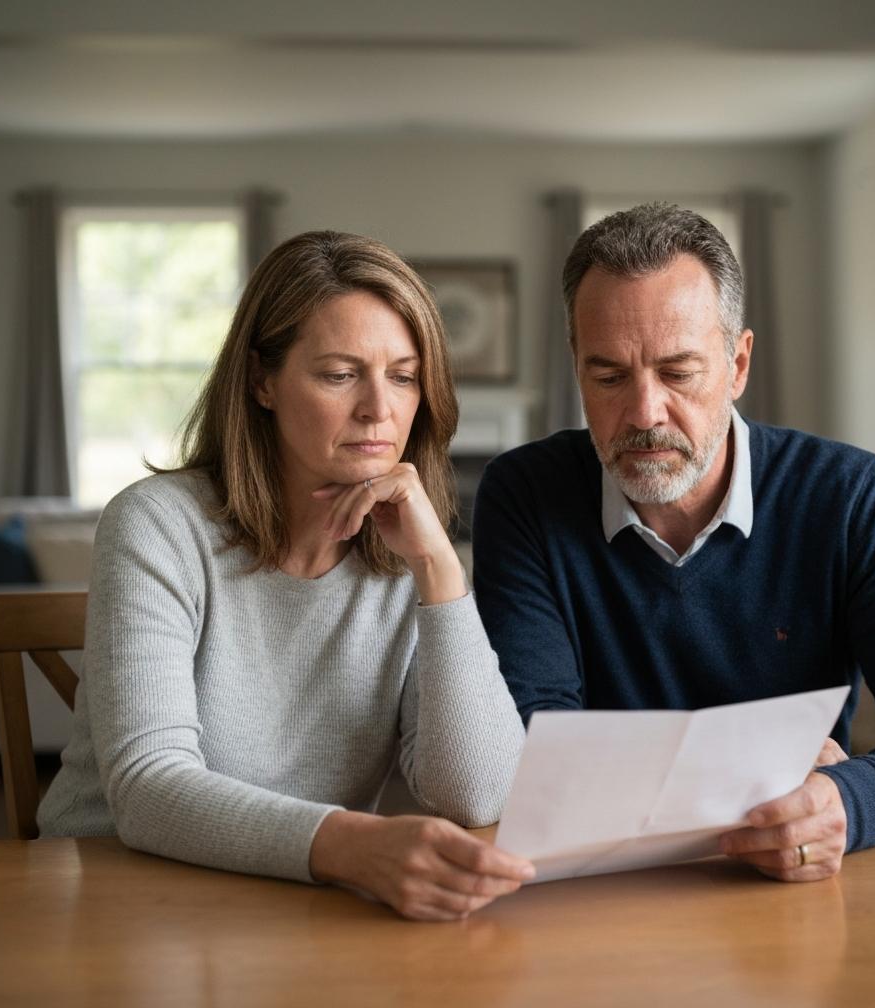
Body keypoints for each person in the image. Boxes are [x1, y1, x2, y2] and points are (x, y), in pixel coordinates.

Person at [473, 203, 875, 882]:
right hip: (599, 891)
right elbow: (533, 748)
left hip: (791, 882)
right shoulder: (524, 493)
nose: (643, 414)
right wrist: (750, 766)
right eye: (608, 376)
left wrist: (847, 800)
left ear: (739, 364)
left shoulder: (850, 497)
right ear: (577, 369)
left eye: (678, 372)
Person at [38, 230, 534, 920]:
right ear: (261, 381)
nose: (379, 409)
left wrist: (438, 568)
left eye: (403, 375)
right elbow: (148, 787)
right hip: (115, 895)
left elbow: (478, 793)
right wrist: (357, 845)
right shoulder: (157, 525)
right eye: (338, 375)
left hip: (294, 904)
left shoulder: (405, 553)